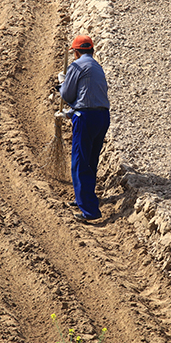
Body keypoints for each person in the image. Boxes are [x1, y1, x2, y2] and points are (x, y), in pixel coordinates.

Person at [59, 35, 110, 222]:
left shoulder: (77, 65)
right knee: (90, 161)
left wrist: (62, 84)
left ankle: (89, 210)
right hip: (102, 117)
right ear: (92, 50)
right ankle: (82, 198)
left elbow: (67, 94)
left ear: (76, 52)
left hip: (86, 117)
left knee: (80, 162)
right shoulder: (97, 66)